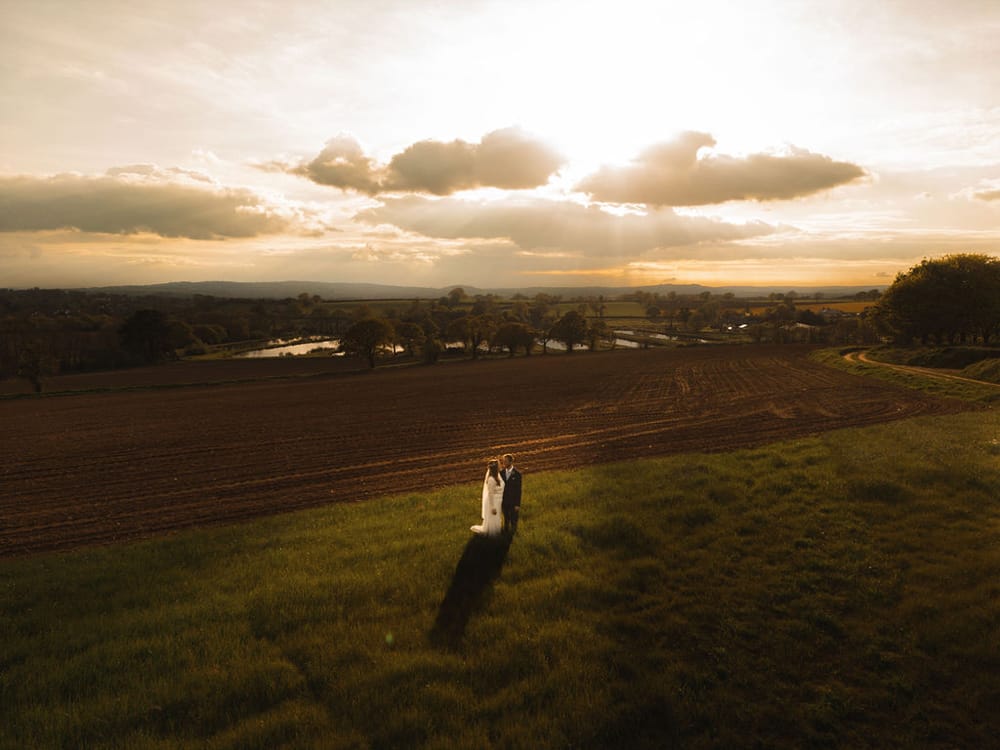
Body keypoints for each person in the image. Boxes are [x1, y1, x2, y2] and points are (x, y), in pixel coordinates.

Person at [471, 458, 504, 537]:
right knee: (493, 517)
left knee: (497, 517)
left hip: (498, 500)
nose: (500, 467)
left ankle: (496, 532)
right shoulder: (491, 480)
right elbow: (490, 494)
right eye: (499, 465)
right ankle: (492, 534)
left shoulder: (498, 477)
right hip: (492, 501)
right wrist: (492, 507)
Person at [501, 453, 521, 536]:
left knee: (513, 520)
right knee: (506, 519)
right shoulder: (501, 473)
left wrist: (517, 504)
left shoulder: (517, 474)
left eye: (505, 461)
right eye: (503, 461)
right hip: (504, 501)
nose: (504, 463)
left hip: (513, 502)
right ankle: (505, 535)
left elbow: (519, 490)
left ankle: (513, 535)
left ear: (510, 462)